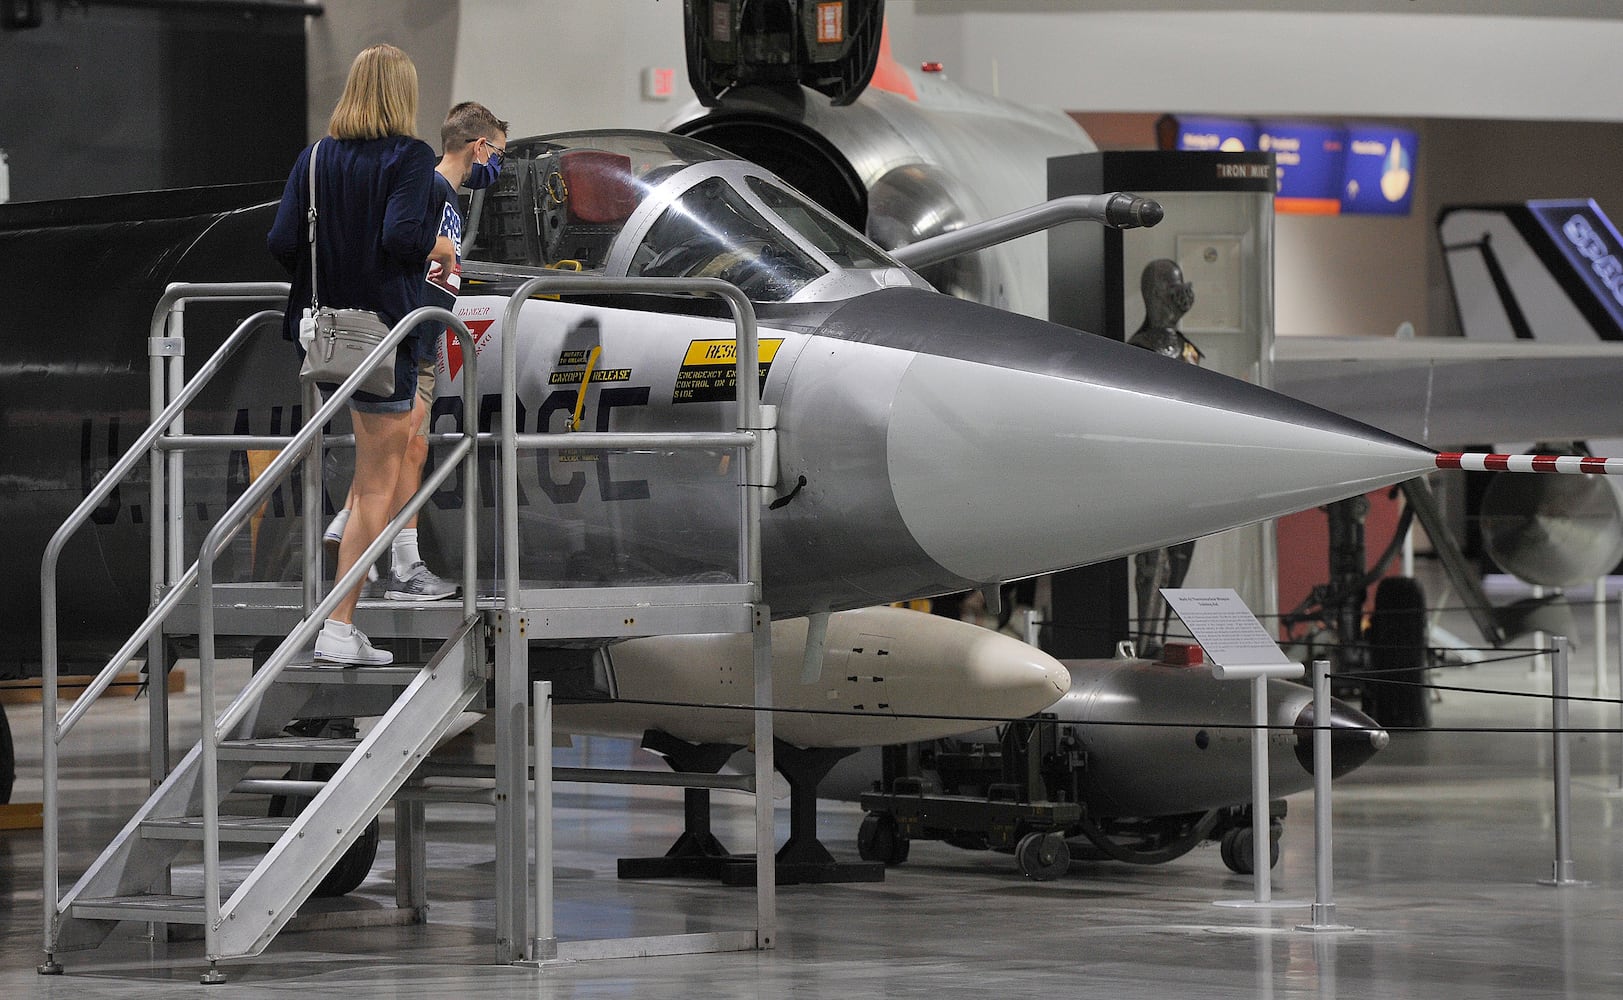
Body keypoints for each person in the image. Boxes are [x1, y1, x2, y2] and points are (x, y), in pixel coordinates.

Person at [267, 43, 439, 666]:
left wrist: (333, 276)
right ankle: (339, 626)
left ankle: (342, 618)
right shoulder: (411, 157)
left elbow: (283, 238)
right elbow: (400, 237)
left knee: (373, 468)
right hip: (385, 337)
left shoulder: (315, 157)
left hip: (326, 337)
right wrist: (436, 244)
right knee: (376, 486)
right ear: (403, 94)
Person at [321, 102, 508, 602]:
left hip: (422, 336)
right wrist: (440, 253)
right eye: (498, 153)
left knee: (411, 445)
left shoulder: (448, 197)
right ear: (479, 146)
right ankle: (400, 559)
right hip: (409, 334)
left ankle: (356, 523)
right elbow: (398, 242)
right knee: (404, 447)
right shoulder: (427, 187)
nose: (498, 166)